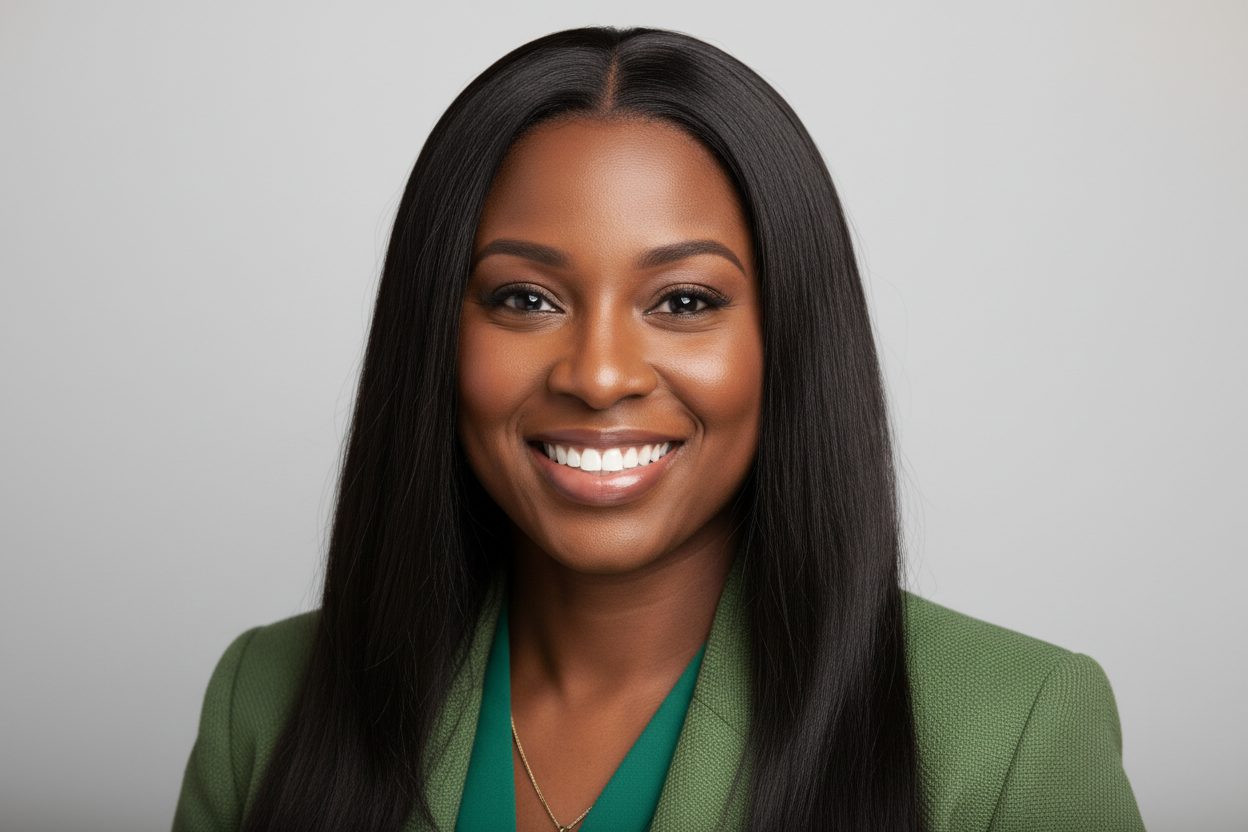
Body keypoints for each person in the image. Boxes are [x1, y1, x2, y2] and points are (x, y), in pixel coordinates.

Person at [172, 27, 1145, 832]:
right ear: (434, 332)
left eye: (682, 300)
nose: (599, 375)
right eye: (524, 296)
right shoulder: (261, 698)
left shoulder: (1014, 730)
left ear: (789, 339)